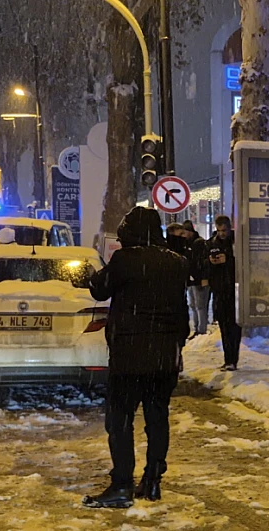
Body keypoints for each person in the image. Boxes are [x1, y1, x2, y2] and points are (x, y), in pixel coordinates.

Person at [83, 207, 189, 509]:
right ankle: (153, 480)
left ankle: (121, 484)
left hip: (129, 354)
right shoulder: (176, 262)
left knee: (120, 419)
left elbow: (100, 290)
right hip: (164, 355)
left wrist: (93, 274)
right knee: (157, 417)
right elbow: (181, 310)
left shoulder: (125, 259)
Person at [208, 215, 240, 371]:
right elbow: (203, 264)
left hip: (233, 290)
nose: (221, 233)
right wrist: (211, 262)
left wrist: (228, 260)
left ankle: (233, 359)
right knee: (224, 326)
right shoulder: (211, 243)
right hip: (219, 290)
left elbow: (241, 262)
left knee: (234, 326)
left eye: (224, 230)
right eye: (219, 230)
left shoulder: (236, 242)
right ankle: (228, 359)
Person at [181, 220, 211, 338]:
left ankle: (201, 329)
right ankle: (198, 327)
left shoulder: (198, 243)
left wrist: (204, 277)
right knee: (194, 305)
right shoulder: (188, 243)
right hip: (192, 279)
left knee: (199, 305)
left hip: (197, 278)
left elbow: (202, 262)